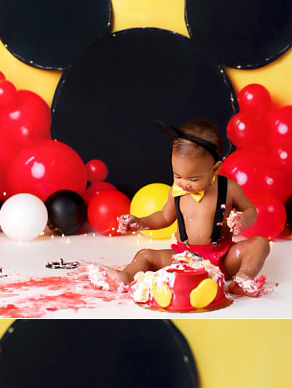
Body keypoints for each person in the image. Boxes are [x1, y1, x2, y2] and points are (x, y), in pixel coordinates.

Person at [86, 119, 270, 298]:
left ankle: (242, 278)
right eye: (177, 175)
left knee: (260, 243)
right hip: (184, 258)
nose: (184, 184)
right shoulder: (177, 191)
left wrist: (244, 219)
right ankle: (124, 277)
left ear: (215, 169)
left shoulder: (228, 189)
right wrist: (140, 222)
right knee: (145, 255)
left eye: (194, 179)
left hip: (222, 258)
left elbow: (251, 211)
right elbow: (164, 217)